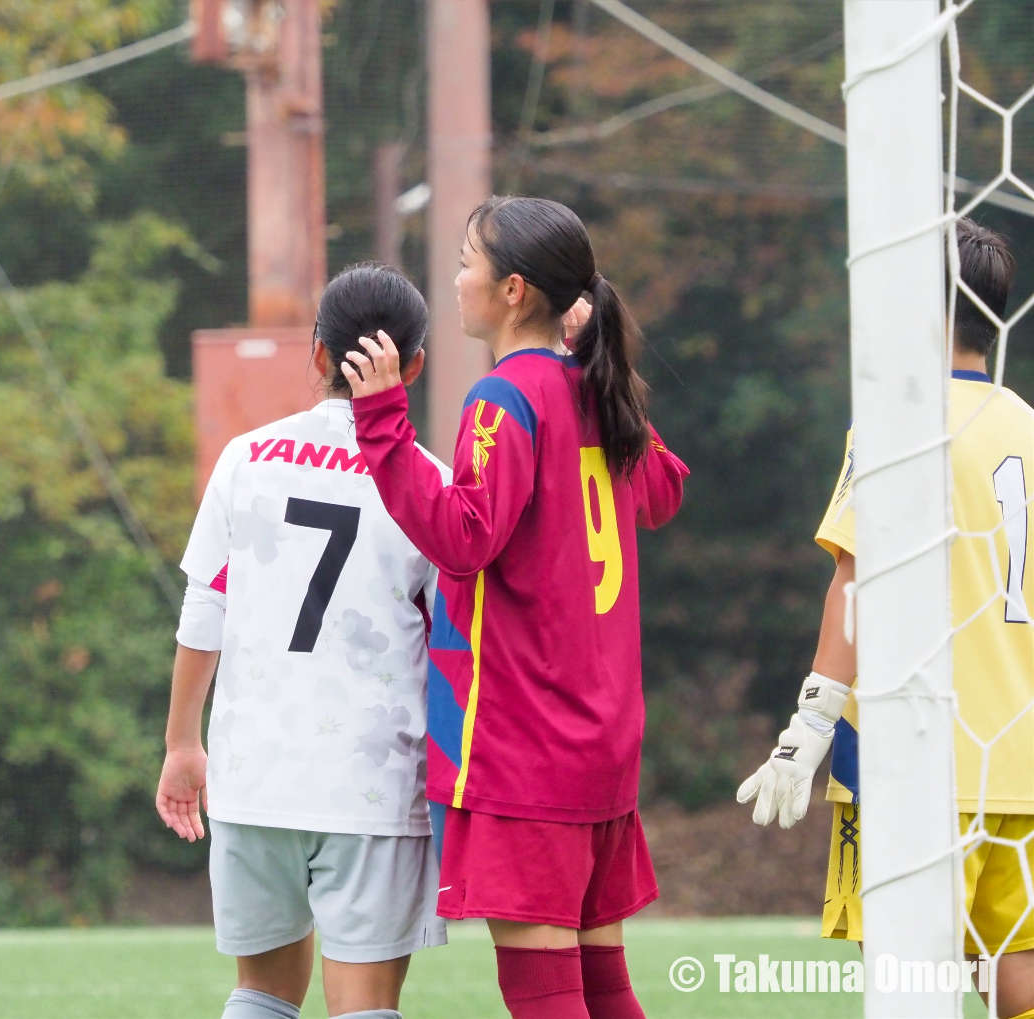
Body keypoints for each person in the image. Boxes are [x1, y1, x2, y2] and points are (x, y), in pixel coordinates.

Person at [342, 196, 689, 1019]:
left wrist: (383, 423)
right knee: (603, 985)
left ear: (513, 290)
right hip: (597, 737)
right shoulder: (593, 390)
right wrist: (609, 386)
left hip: (527, 741)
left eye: (467, 260)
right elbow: (665, 491)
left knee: (544, 994)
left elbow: (466, 539)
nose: (455, 278)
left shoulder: (503, 399)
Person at [737, 218, 1033, 1019]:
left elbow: (855, 580)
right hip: (1020, 758)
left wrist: (811, 724)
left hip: (916, 759)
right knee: (1020, 975)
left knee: (908, 982)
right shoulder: (1030, 429)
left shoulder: (896, 425)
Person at [155, 262, 451, 1019]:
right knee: (364, 1006)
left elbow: (204, 608)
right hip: (374, 781)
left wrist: (183, 744)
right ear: (413, 365)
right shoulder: (428, 484)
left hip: (255, 774)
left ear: (316, 354)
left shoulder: (245, 460)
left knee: (261, 993)